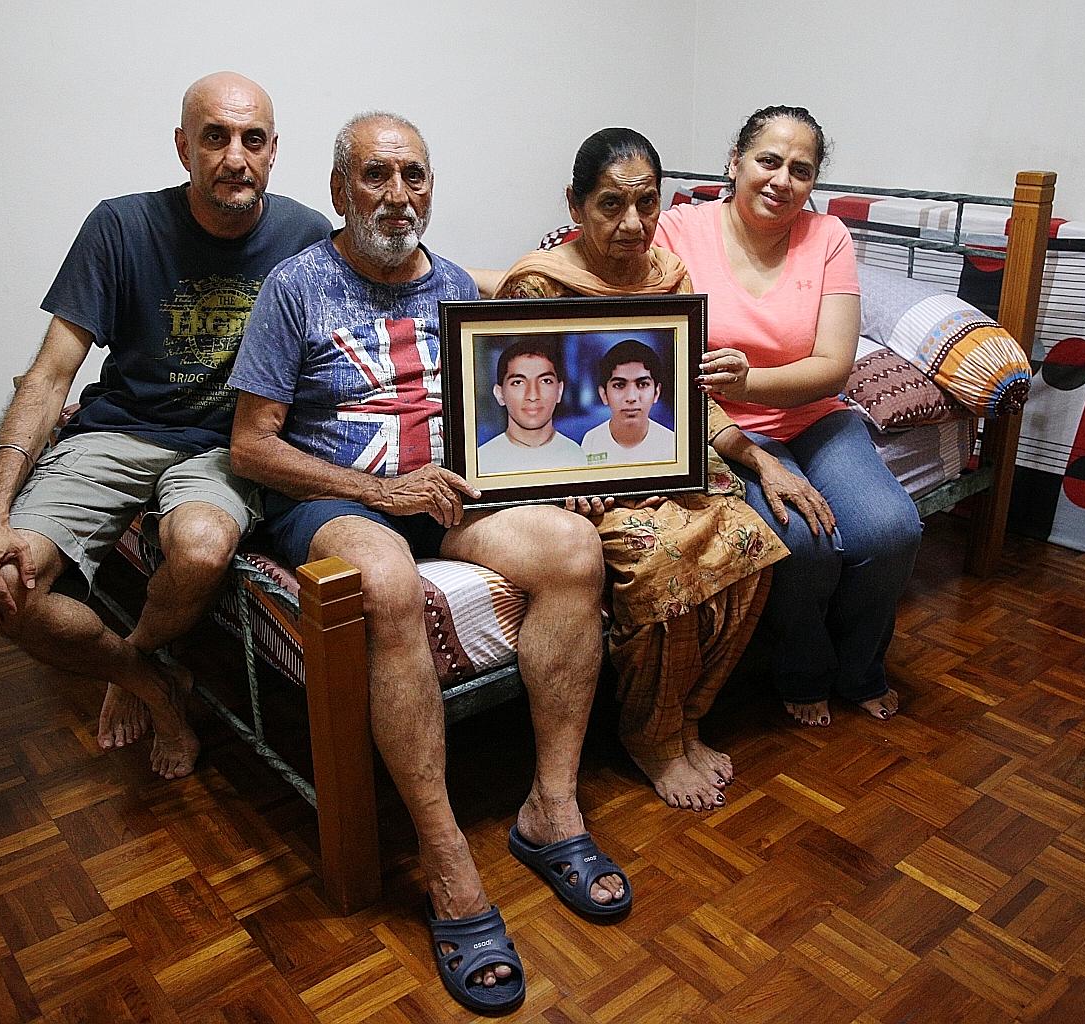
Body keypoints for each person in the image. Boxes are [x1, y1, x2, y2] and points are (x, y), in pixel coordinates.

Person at [228, 111, 629, 1015]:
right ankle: (447, 855)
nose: (397, 194)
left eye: (414, 175)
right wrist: (381, 495)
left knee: (572, 548)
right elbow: (250, 447)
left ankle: (550, 809)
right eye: (375, 176)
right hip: (340, 500)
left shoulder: (455, 287)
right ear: (340, 191)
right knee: (387, 581)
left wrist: (562, 476)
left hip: (449, 493)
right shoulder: (294, 288)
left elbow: (504, 417)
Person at [0, 72, 330, 780]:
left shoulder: (306, 235)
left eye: (252, 139)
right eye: (214, 137)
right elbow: (48, 376)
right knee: (7, 587)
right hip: (116, 432)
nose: (234, 157)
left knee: (197, 549)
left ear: (274, 151)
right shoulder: (121, 225)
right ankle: (150, 681)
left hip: (222, 450)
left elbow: (392, 277)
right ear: (183, 145)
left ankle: (134, 670)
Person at [498, 127, 809, 812]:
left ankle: (684, 717)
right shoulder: (539, 284)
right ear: (575, 205)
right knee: (660, 558)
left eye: (646, 203)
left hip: (661, 465)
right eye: (610, 204)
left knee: (753, 538)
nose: (632, 223)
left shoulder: (668, 277)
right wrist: (563, 480)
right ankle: (651, 737)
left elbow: (690, 400)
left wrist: (755, 455)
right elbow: (523, 403)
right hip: (579, 486)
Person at [655, 105, 921, 728]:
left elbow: (833, 365)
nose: (781, 180)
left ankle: (860, 669)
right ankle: (801, 670)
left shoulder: (828, 238)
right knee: (803, 543)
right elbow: (658, 349)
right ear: (735, 162)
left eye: (800, 170)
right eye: (767, 161)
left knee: (891, 530)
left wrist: (754, 379)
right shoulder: (677, 231)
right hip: (723, 427)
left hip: (815, 415)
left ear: (813, 182)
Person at [476, 337, 583, 473]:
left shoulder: (578, 456)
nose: (532, 395)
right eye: (518, 382)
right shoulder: (481, 462)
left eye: (545, 381)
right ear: (499, 394)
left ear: (559, 391)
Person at [580, 339, 677, 466]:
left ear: (656, 392)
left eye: (642, 384)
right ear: (604, 394)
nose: (631, 397)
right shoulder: (592, 440)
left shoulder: (672, 444)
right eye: (619, 385)